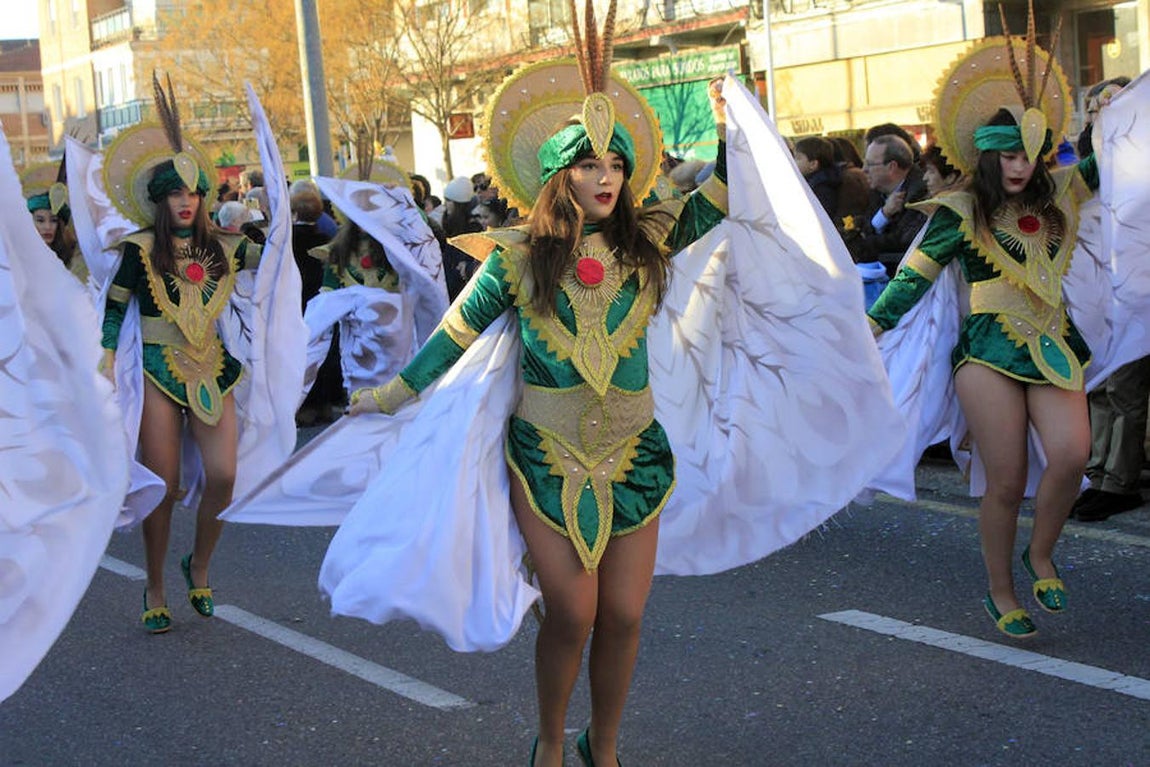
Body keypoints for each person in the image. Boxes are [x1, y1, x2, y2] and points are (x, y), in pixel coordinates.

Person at [866, 27, 1098, 640]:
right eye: (1009, 155)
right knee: (1008, 479)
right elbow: (911, 279)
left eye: (1030, 153)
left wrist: (1115, 116)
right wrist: (869, 325)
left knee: (1073, 453)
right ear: (989, 156)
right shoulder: (961, 210)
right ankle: (1000, 588)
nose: (1020, 166)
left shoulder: (1061, 205)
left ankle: (1039, 553)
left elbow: (1116, 157)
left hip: (1052, 342)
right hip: (987, 353)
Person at [98, 77, 275, 634]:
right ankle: (154, 582)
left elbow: (274, 259)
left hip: (212, 367)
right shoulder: (138, 251)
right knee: (164, 483)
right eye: (175, 194)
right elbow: (114, 308)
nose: (185, 201)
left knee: (223, 476)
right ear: (158, 200)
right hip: (154, 369)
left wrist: (279, 200)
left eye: (194, 193)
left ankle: (197, 564)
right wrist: (105, 356)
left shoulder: (222, 248)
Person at [793, 135, 841, 219]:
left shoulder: (821, 188)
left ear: (813, 164)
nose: (793, 162)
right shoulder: (814, 182)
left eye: (798, 158)